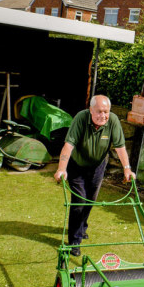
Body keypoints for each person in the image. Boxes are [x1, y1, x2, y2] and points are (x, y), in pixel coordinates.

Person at [54, 95, 135, 256]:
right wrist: (62, 168)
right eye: (99, 111)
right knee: (79, 201)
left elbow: (120, 147)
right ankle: (74, 242)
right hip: (77, 165)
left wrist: (127, 168)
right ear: (90, 110)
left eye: (106, 111)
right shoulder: (80, 118)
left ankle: (82, 227)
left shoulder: (112, 121)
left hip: (98, 165)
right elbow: (68, 145)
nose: (103, 115)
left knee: (91, 199)